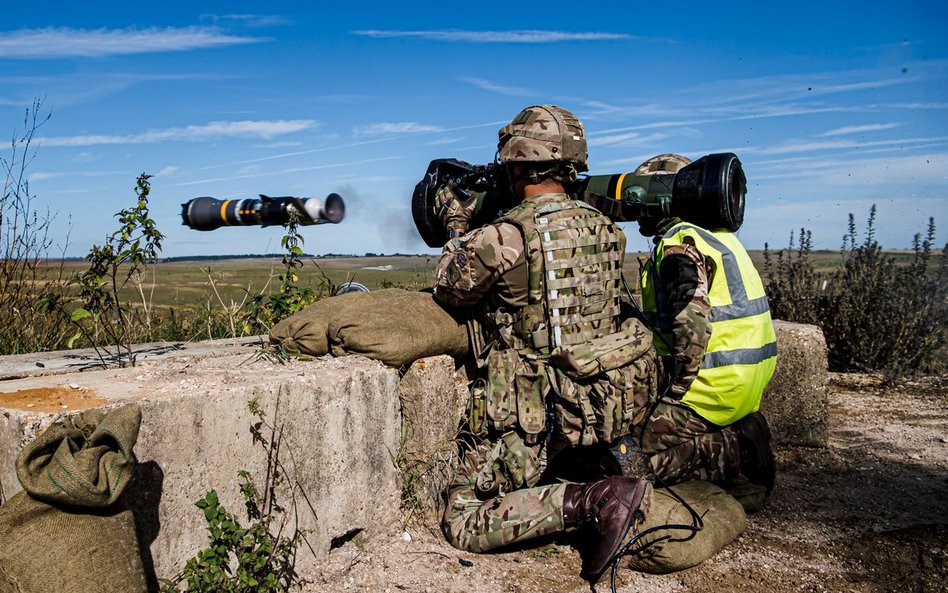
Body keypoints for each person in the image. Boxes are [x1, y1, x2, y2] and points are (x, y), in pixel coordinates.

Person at [431, 105, 658, 583]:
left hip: (533, 424)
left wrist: (457, 226)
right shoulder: (606, 228)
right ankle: (615, 474)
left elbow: (450, 284)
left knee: (463, 520)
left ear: (516, 164)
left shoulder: (506, 235)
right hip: (591, 411)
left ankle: (592, 501)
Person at [633, 154, 778, 505]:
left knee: (625, 455)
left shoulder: (679, 243)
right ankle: (741, 433)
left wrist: (674, 392)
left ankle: (732, 451)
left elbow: (691, 324)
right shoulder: (722, 239)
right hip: (743, 388)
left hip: (707, 391)